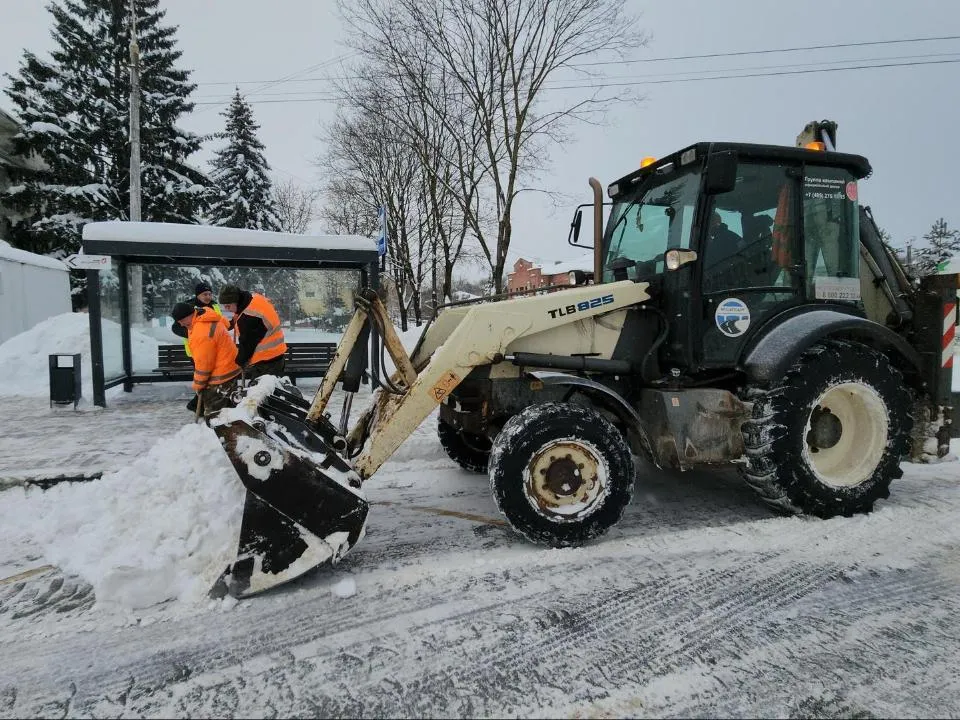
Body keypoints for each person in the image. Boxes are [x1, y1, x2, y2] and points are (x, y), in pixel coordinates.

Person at [170, 302, 241, 416]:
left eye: (182, 321)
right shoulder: (205, 315)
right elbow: (226, 324)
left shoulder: (201, 331)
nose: (181, 325)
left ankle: (219, 431)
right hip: (229, 367)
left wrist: (199, 385)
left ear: (189, 315)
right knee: (229, 411)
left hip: (221, 374)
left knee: (215, 416)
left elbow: (204, 364)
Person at [172, 282, 224, 411]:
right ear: (197, 295)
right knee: (205, 380)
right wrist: (193, 333)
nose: (208, 297)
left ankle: (202, 405)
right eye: (204, 294)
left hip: (214, 349)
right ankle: (198, 405)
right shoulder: (188, 307)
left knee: (211, 379)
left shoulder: (214, 305)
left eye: (210, 294)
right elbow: (175, 327)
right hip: (196, 351)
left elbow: (220, 322)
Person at [217, 284, 288, 381]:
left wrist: (240, 361)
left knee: (260, 393)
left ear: (236, 301)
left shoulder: (248, 316)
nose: (227, 309)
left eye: (228, 306)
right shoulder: (255, 299)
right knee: (274, 390)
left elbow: (248, 342)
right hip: (277, 356)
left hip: (266, 361)